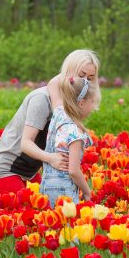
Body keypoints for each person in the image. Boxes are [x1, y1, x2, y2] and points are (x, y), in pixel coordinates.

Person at [0, 50, 100, 193]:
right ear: (69, 72)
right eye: (81, 75)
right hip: (5, 169)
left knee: (48, 209)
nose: (85, 82)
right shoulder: (41, 99)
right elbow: (26, 143)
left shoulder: (72, 101)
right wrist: (51, 158)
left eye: (90, 78)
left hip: (29, 171)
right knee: (30, 213)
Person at [40, 75, 98, 207]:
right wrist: (87, 191)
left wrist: (69, 79)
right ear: (81, 103)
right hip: (64, 189)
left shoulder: (59, 113)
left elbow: (53, 84)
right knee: (68, 226)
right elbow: (73, 171)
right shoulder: (74, 132)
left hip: (46, 186)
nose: (93, 106)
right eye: (92, 102)